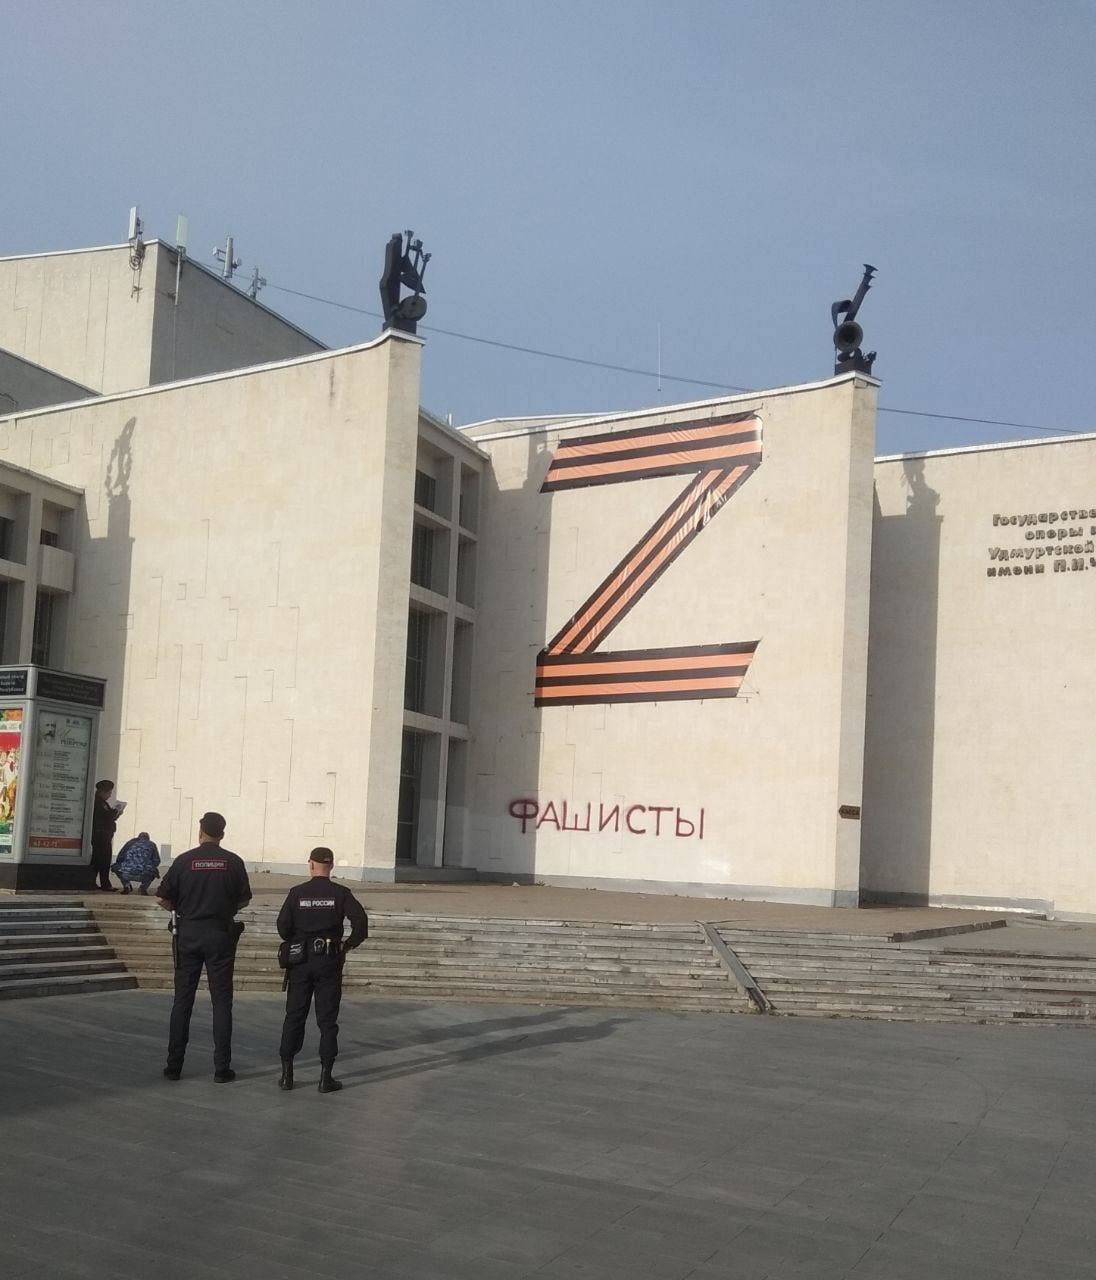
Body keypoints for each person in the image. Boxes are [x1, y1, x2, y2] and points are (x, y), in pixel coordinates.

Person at [156, 811, 251, 1083]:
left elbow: (161, 898)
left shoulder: (184, 861)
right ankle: (222, 1068)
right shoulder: (234, 862)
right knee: (221, 1002)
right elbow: (244, 900)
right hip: (220, 935)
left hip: (188, 934)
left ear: (200, 833)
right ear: (222, 834)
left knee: (182, 1001)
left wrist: (181, 910)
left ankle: (174, 1066)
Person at [276, 847, 368, 1094]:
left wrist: (298, 938)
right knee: (327, 1021)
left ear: (310, 864)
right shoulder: (340, 893)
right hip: (329, 960)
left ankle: (287, 1075)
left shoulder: (297, 893)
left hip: (301, 961)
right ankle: (325, 1077)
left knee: (294, 1016)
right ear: (332, 866)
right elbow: (361, 923)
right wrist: (347, 946)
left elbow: (283, 926)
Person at [91, 779, 120, 892]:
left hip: (103, 834)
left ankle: (93, 882)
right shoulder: (99, 803)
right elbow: (106, 816)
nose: (110, 795)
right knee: (103, 859)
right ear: (103, 792)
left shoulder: (101, 802)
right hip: (101, 835)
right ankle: (105, 884)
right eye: (109, 792)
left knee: (98, 859)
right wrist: (116, 811)